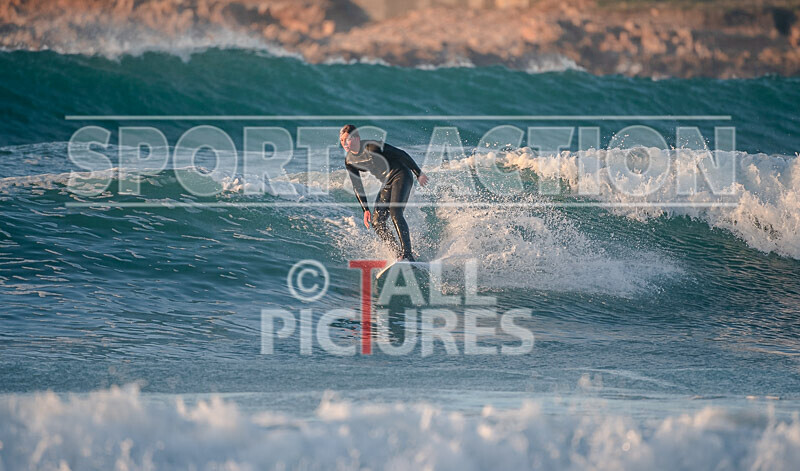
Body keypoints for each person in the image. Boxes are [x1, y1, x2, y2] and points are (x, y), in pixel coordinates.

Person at [340, 124, 429, 261]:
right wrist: (365, 209)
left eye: (348, 139)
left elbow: (401, 154)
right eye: (342, 141)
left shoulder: (372, 147)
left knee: (395, 213)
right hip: (387, 183)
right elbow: (357, 185)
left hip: (401, 175)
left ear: (357, 138)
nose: (345, 143)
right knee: (377, 222)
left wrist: (418, 173)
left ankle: (408, 254)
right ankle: (397, 253)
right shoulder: (349, 161)